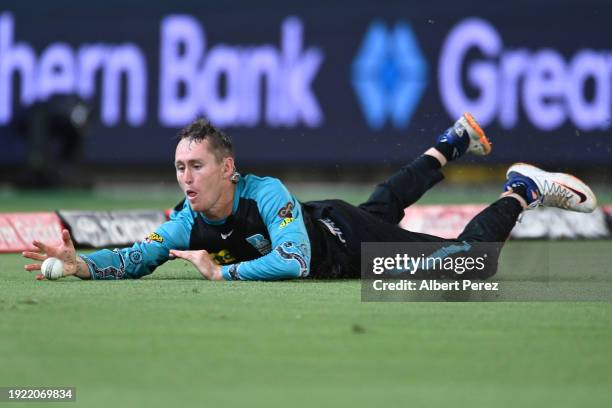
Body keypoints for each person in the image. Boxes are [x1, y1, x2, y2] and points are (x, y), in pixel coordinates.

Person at [23, 114, 597, 281]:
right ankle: (454, 141)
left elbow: (295, 263)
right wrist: (84, 266)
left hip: (345, 244)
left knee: (465, 268)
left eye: (196, 166)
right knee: (382, 201)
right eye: (179, 167)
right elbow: (137, 258)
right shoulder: (186, 220)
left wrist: (223, 276)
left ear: (228, 168)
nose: (186, 179)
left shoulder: (265, 193)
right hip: (330, 219)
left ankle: (521, 190)